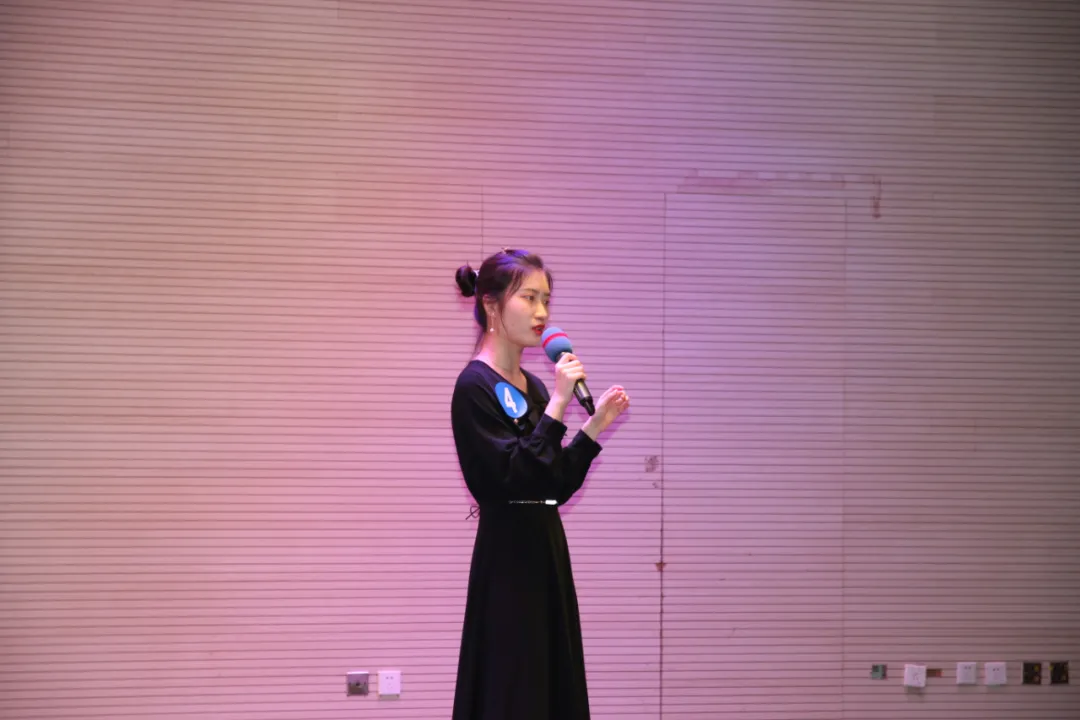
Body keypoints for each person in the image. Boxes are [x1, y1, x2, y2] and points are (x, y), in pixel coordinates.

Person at [450, 249, 630, 720]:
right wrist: (557, 404)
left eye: (546, 299)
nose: (542, 313)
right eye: (529, 298)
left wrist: (594, 427)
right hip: (508, 558)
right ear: (491, 305)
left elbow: (553, 483)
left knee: (551, 682)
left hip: (545, 546)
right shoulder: (473, 386)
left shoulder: (531, 385)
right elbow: (511, 476)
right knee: (515, 684)